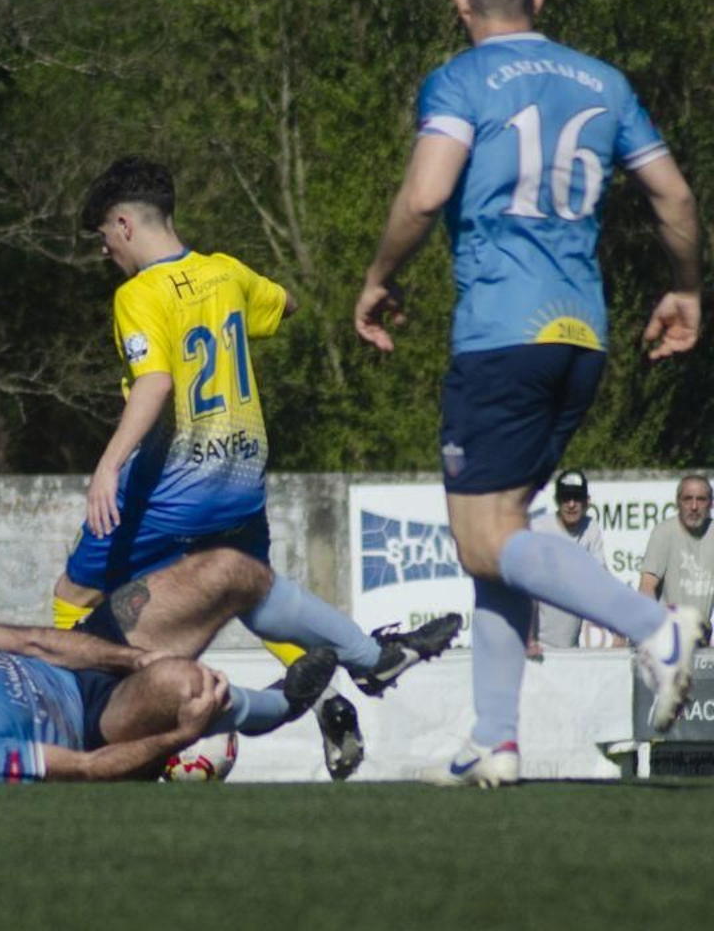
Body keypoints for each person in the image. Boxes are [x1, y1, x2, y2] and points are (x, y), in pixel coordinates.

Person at [353, 0, 707, 787]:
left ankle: (656, 630)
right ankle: (496, 739)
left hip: (502, 333)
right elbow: (673, 195)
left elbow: (429, 190)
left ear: (460, 2)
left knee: (482, 539)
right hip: (580, 334)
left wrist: (379, 274)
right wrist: (687, 289)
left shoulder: (461, 78)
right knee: (501, 529)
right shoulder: (604, 82)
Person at [50, 156, 460, 781]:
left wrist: (107, 467)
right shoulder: (226, 273)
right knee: (253, 594)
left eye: (105, 236)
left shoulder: (136, 295)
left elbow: (155, 382)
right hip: (240, 483)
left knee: (74, 601)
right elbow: (288, 305)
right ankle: (350, 677)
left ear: (126, 225)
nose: (106, 252)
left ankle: (102, 728)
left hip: (171, 492)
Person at [0, 609, 337, 783]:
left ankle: (347, 654)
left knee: (189, 569)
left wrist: (128, 656)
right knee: (184, 685)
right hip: (96, 721)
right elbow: (82, 767)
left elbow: (32, 640)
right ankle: (279, 705)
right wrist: (181, 735)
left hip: (84, 668)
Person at [528, 470, 606, 652]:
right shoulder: (539, 530)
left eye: (577, 498)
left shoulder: (591, 529)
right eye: (565, 498)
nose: (571, 505)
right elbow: (527, 590)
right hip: (535, 647)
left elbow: (602, 582)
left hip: (570, 647)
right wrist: (528, 638)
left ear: (587, 501)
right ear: (557, 501)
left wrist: (619, 631)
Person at [638, 474, 714, 638]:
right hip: (665, 637)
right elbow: (646, 586)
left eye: (701, 499)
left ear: (711, 504)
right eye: (688, 499)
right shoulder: (664, 532)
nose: (694, 506)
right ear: (678, 503)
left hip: (701, 638)